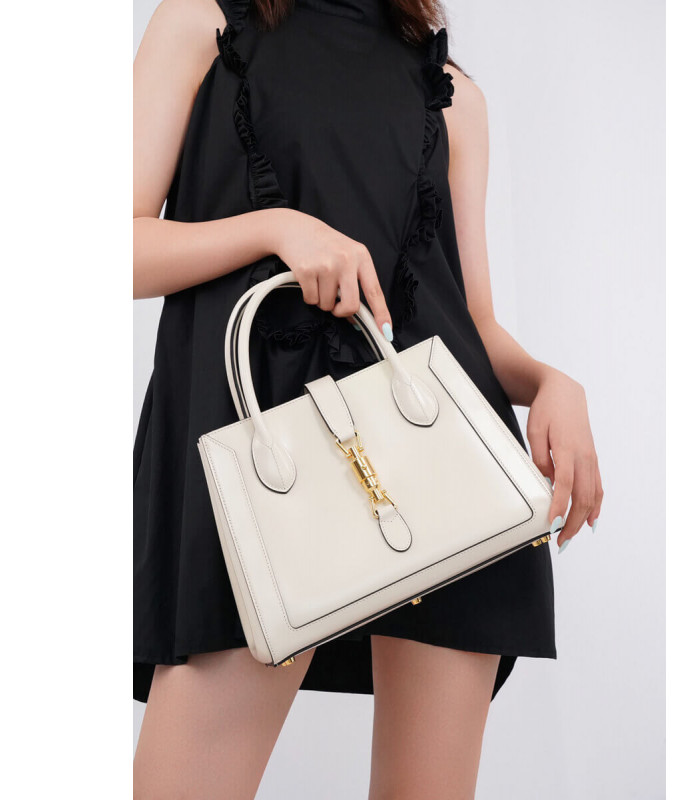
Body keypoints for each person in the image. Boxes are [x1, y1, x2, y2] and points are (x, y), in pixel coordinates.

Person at [133, 0, 604, 796]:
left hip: (448, 479)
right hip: (268, 471)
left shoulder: (451, 92)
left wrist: (552, 383)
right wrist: (276, 228)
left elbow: (471, 323)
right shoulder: (204, 23)